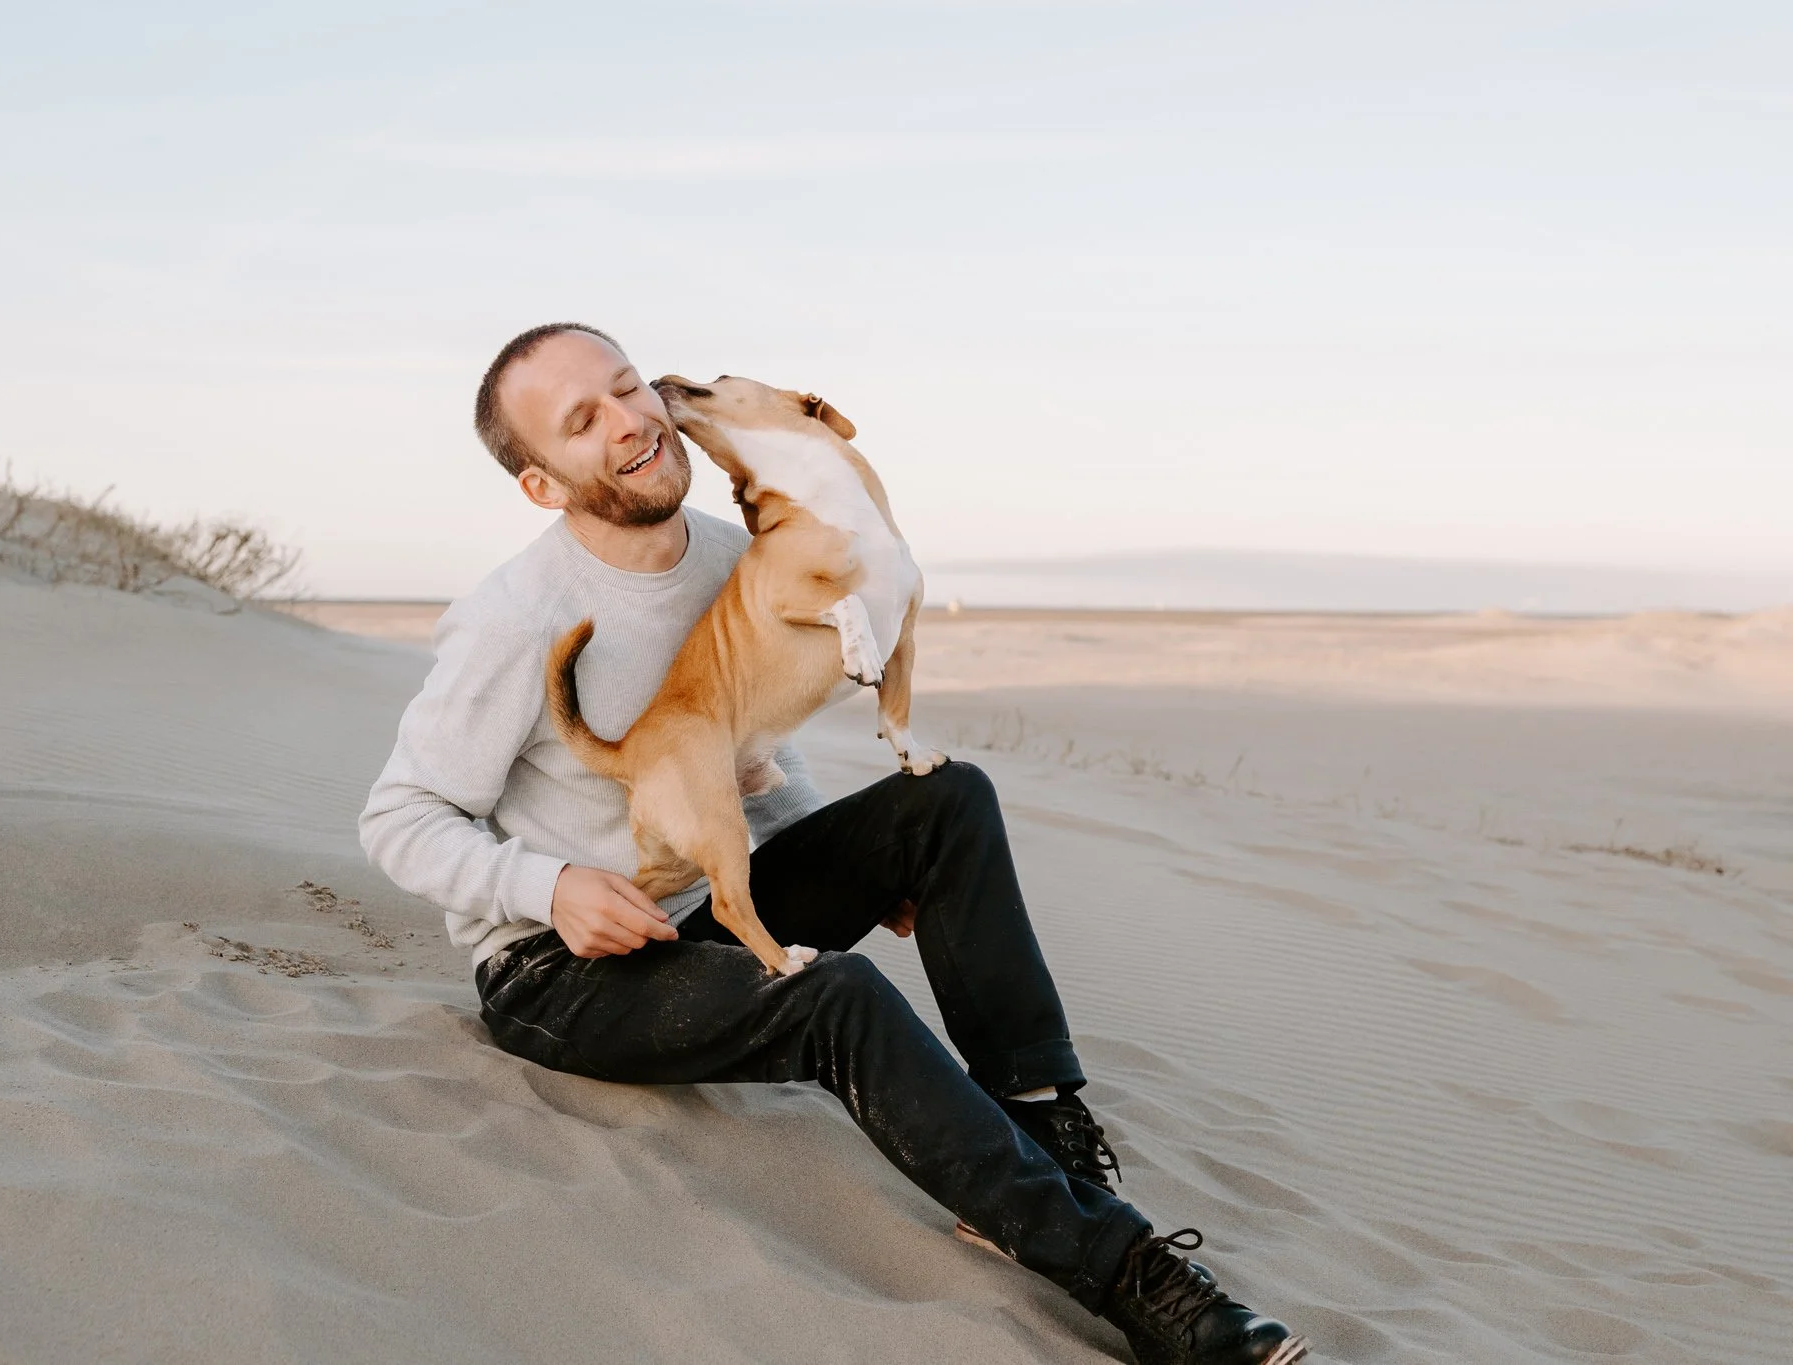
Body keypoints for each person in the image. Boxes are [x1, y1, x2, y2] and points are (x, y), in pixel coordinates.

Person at [359, 322, 1306, 1365]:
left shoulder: (736, 556)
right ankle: (1141, 1284)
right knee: (836, 992)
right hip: (567, 972)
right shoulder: (513, 617)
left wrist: (845, 857)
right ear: (544, 485)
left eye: (627, 387)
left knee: (942, 801)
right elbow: (398, 815)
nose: (629, 419)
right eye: (583, 422)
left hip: (716, 902)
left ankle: (1037, 1134)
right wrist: (548, 886)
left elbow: (757, 744)